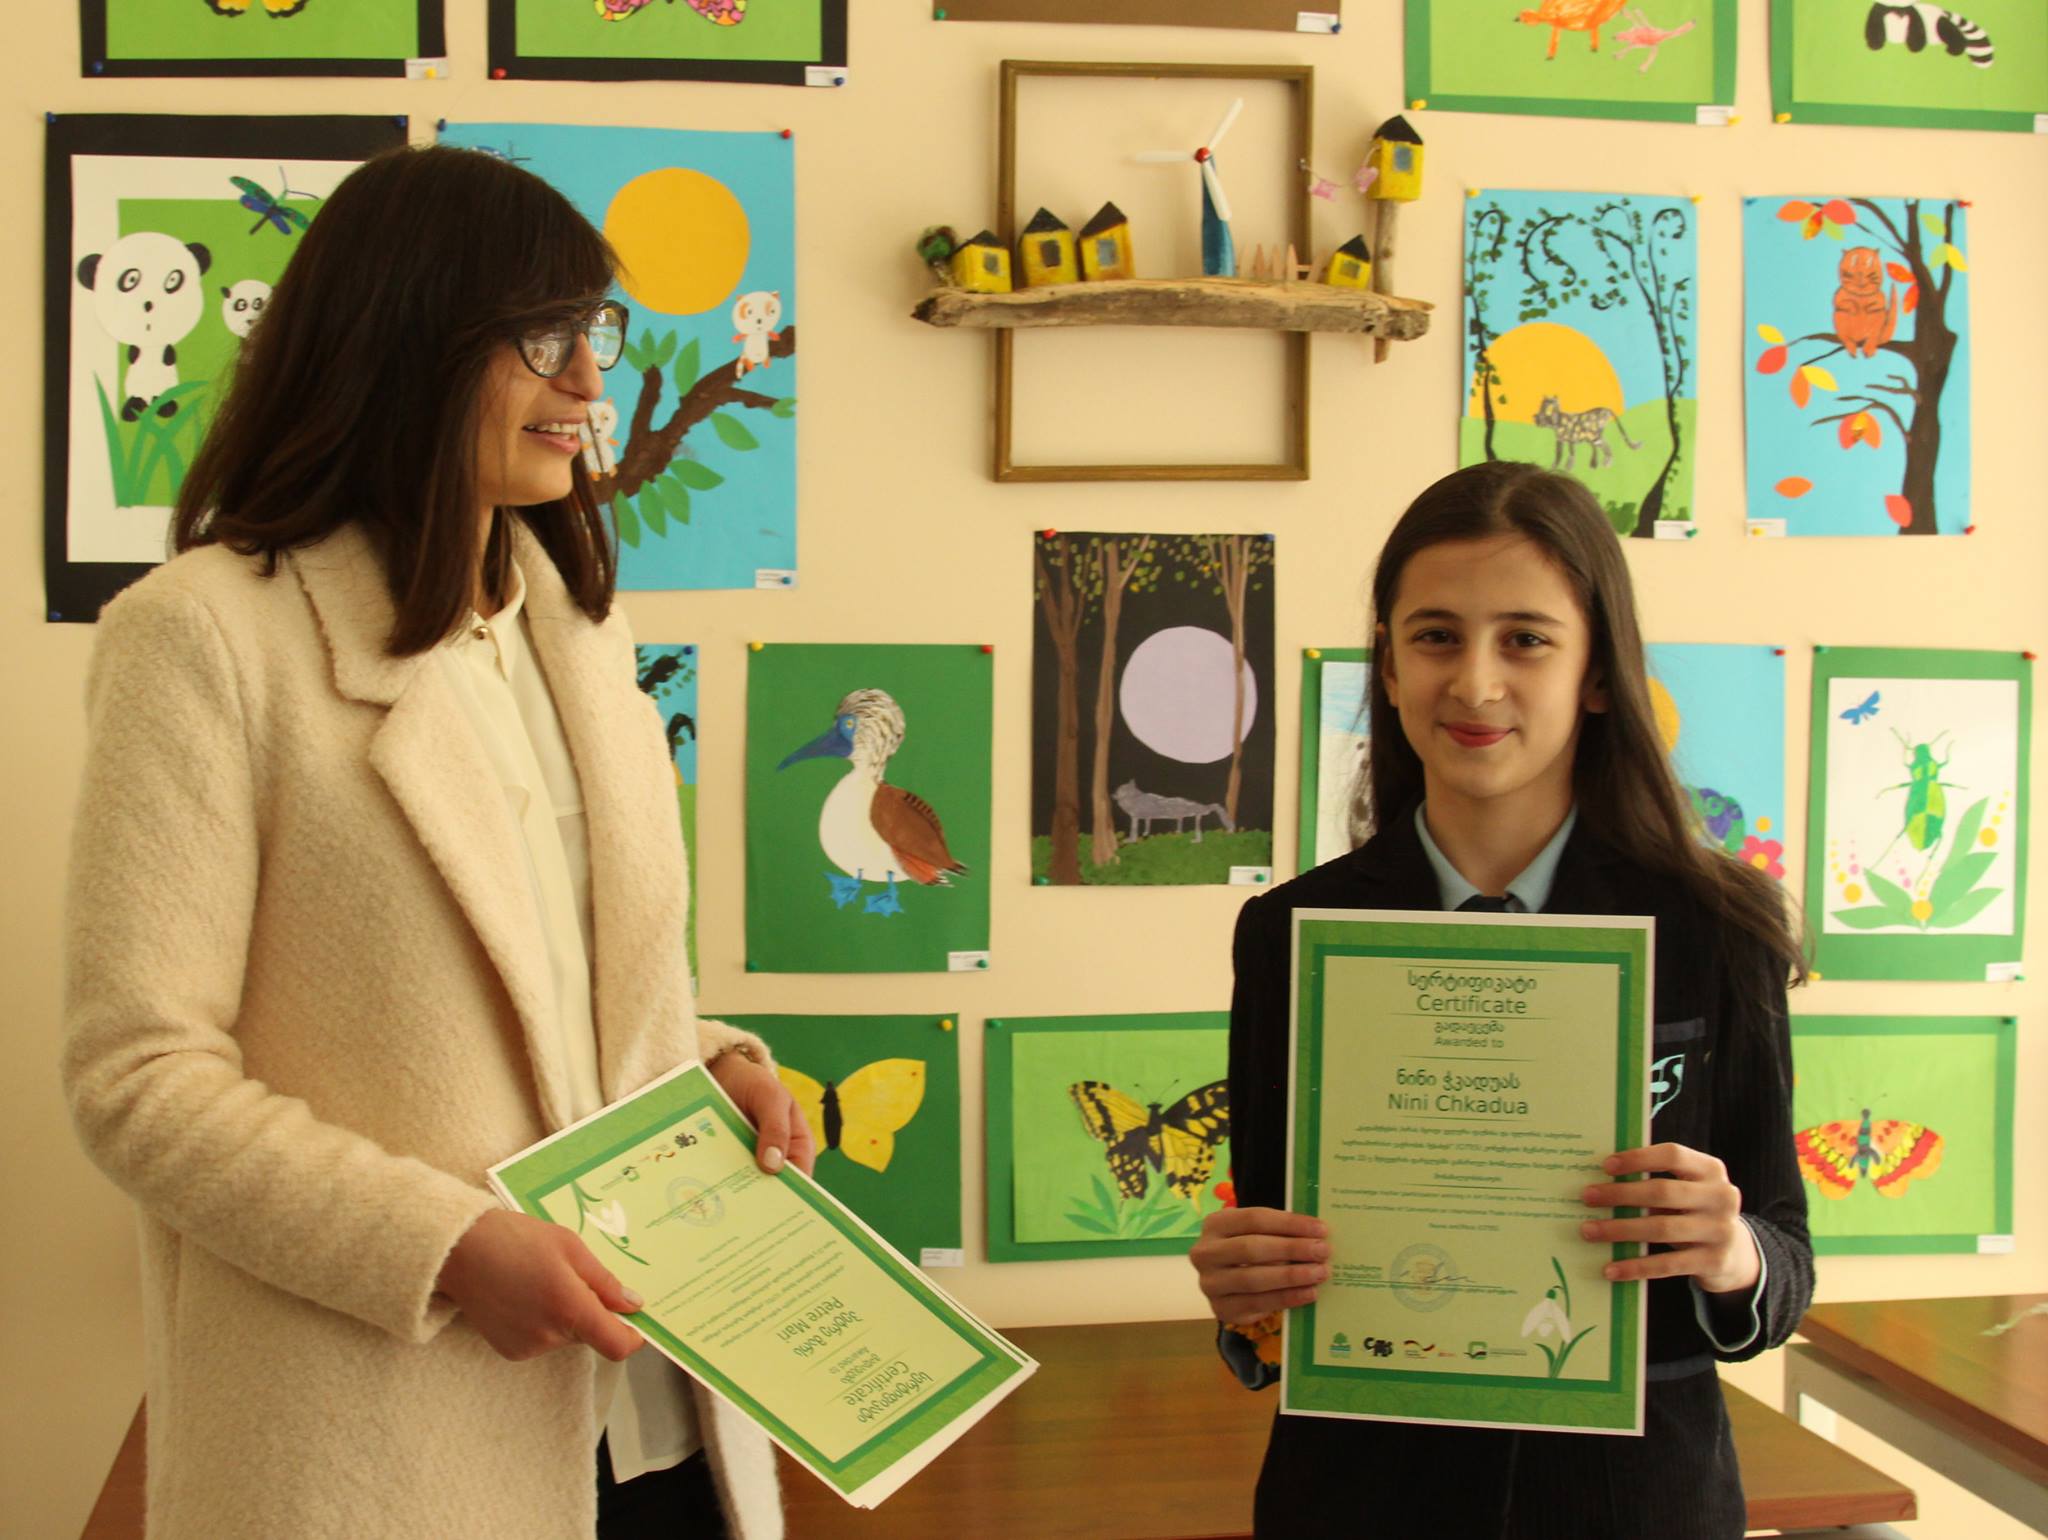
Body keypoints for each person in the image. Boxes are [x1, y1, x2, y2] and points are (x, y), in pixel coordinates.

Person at [60, 146, 811, 1540]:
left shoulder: (579, 627)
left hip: (663, 1417)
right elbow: (137, 1077)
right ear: (407, 338)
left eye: (594, 333)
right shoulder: (205, 637)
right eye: (541, 339)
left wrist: (709, 1064)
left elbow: (556, 989)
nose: (588, 384)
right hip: (386, 1440)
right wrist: (446, 1247)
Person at [1190, 461, 1813, 1539]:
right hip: (1356, 1498)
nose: (1475, 684)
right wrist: (1247, 1298)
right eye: (1435, 636)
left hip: (1628, 1504)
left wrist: (1732, 1251)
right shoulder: (1291, 933)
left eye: (1525, 639)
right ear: (1388, 667)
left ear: (1597, 673)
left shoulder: (1717, 928)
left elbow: (1783, 1262)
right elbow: (1277, 1263)